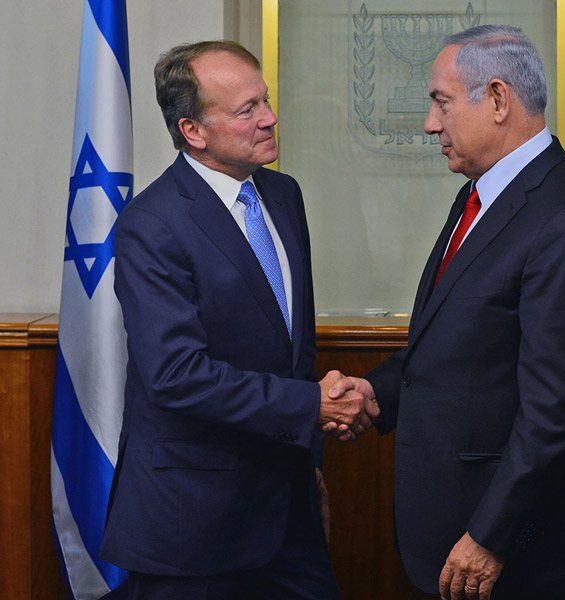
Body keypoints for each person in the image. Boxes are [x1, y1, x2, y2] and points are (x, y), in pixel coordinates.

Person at [330, 25, 565, 599]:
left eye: (441, 102)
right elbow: (461, 342)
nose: (429, 123)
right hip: (453, 534)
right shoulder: (483, 193)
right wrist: (376, 393)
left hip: (513, 555)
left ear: (497, 99)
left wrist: (491, 534)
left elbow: (559, 409)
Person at [99, 41, 377, 600]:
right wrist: (312, 407)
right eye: (246, 109)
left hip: (287, 512)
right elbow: (177, 374)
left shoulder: (282, 194)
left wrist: (311, 464)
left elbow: (292, 349)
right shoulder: (151, 225)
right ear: (193, 131)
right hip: (193, 527)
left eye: (266, 101)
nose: (270, 118)